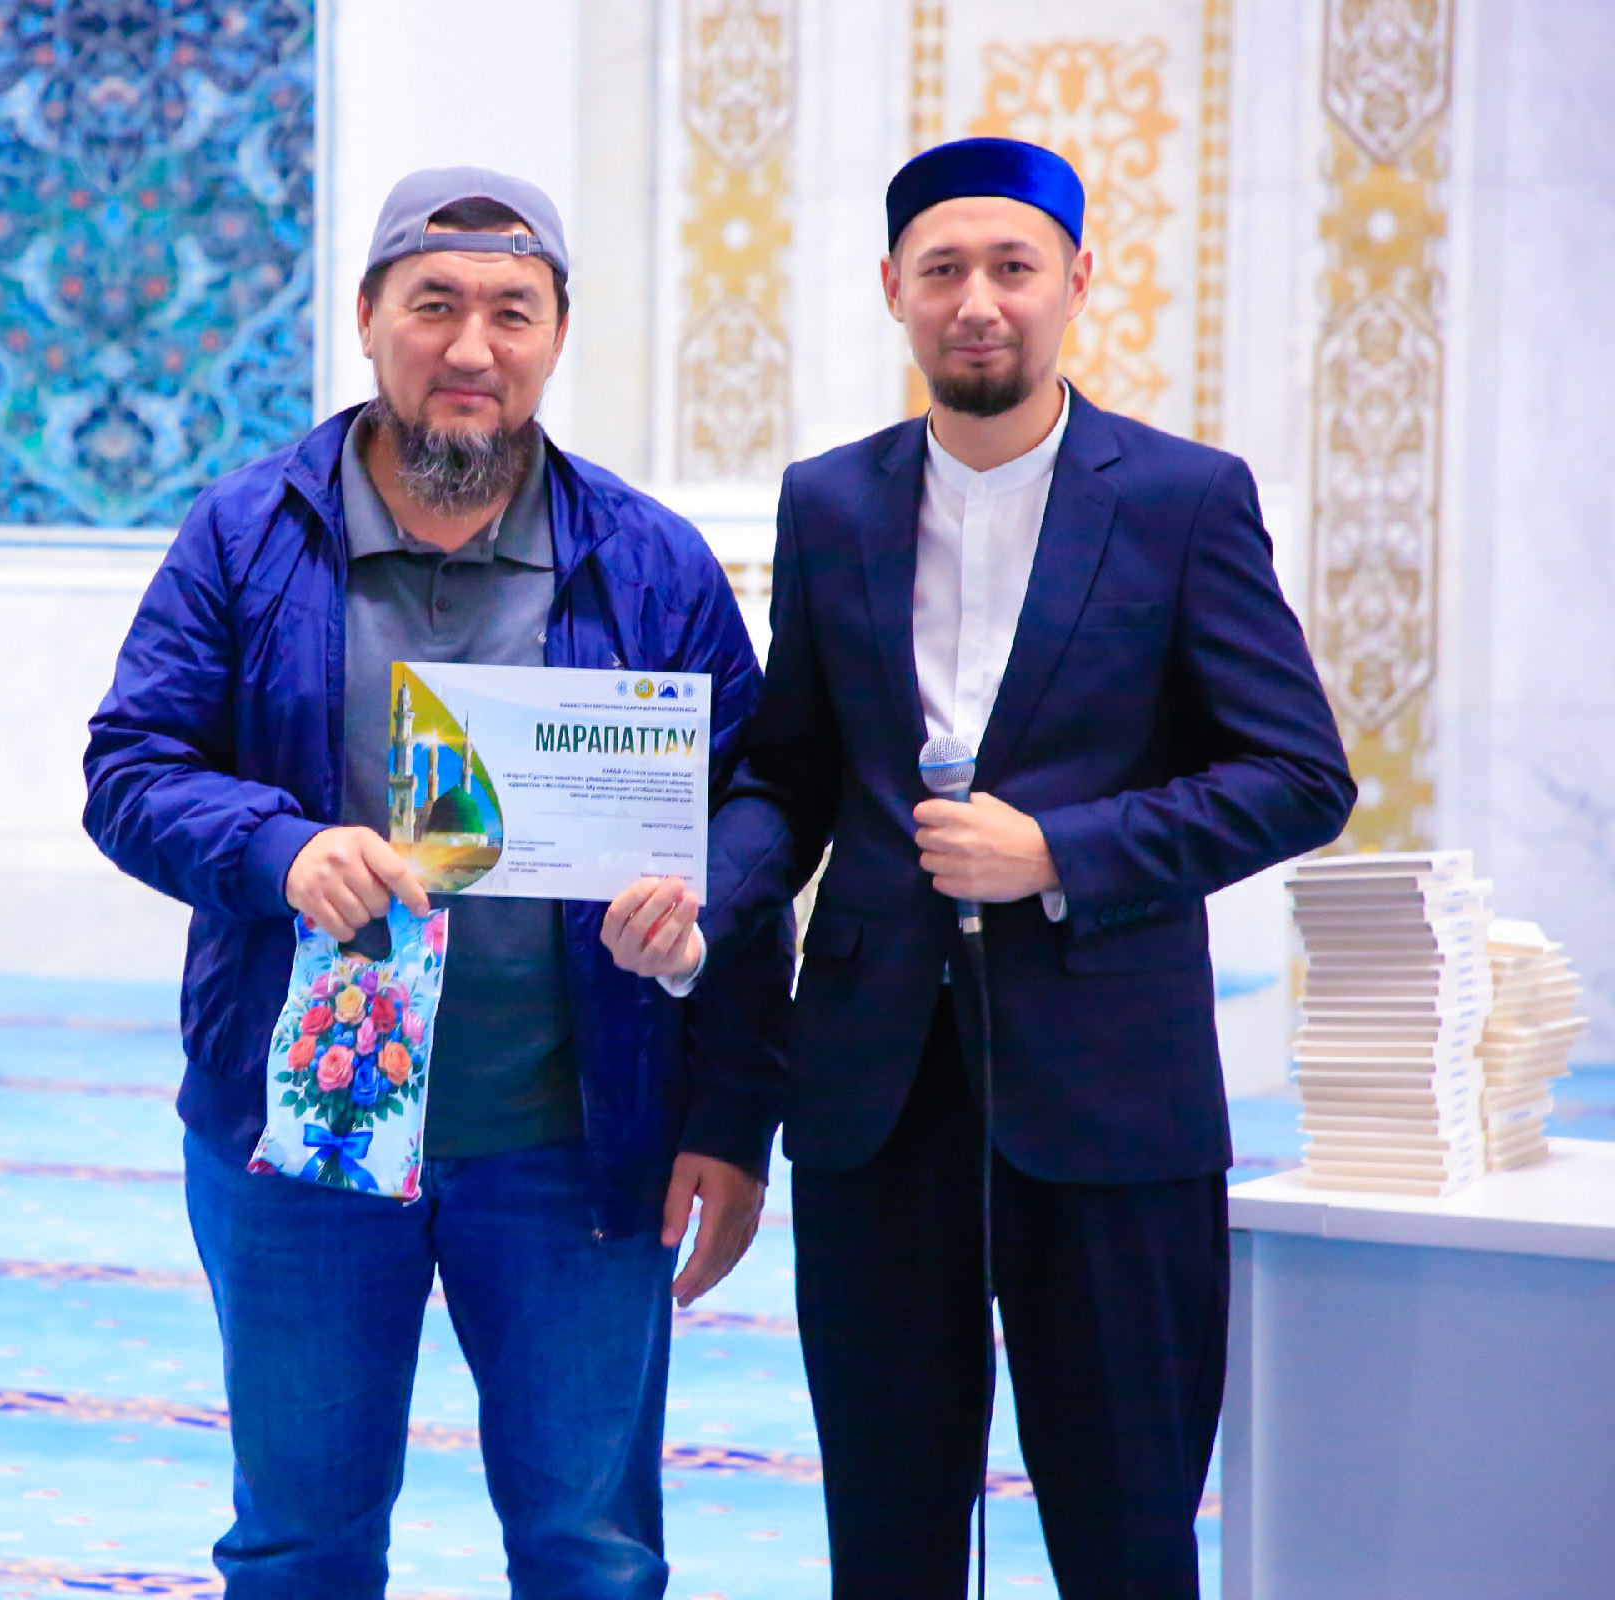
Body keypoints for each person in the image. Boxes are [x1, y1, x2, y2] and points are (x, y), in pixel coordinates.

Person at [83, 166, 787, 1598]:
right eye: (435, 305)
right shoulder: (246, 534)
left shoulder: (646, 560)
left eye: (512, 312)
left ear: (557, 336)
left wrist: (726, 1096)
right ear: (366, 317)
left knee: (592, 1552)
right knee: (300, 1547)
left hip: (575, 1145)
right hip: (305, 1141)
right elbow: (131, 768)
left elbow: (756, 802)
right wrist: (280, 850)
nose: (473, 347)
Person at [698, 137, 1356, 1596]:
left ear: (1077, 280)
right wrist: (705, 896)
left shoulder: (1183, 498)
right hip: (876, 1096)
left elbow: (1300, 776)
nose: (978, 301)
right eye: (943, 270)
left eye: (1013, 267)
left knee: (1126, 1536)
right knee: (888, 1535)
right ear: (894, 290)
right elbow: (790, 776)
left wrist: (1059, 850)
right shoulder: (829, 503)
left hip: (1111, 1092)